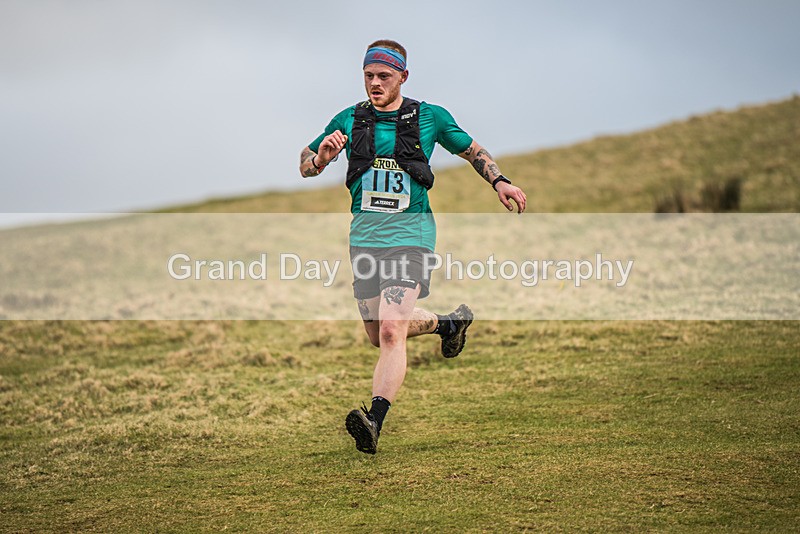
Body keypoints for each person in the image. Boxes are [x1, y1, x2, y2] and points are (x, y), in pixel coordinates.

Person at [299, 39, 526, 454]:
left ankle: (374, 421)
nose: (375, 83)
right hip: (365, 239)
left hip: (411, 237)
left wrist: (499, 180)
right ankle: (448, 324)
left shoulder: (430, 118)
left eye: (384, 76)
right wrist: (321, 158)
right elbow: (303, 164)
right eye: (368, 76)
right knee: (377, 332)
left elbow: (472, 149)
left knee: (390, 329)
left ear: (403, 76)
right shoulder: (349, 119)